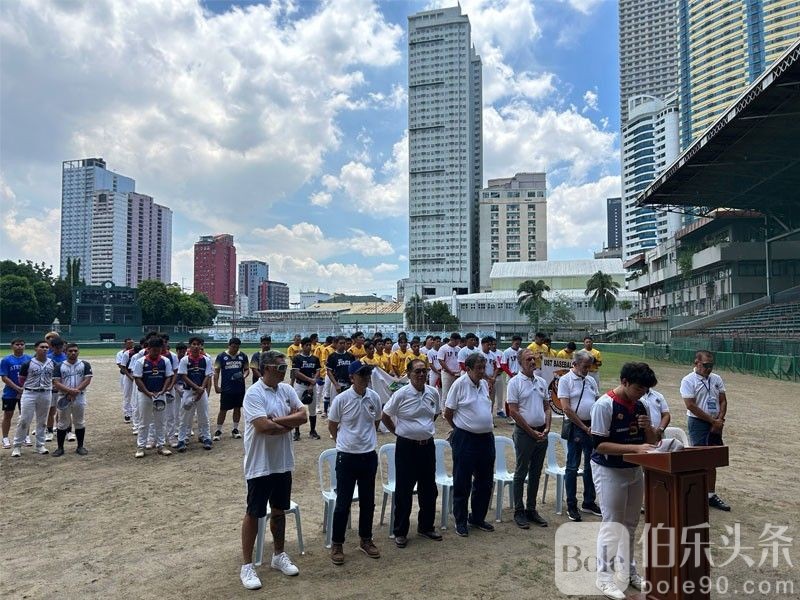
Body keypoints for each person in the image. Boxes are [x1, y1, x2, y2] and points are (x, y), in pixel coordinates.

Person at [239, 351, 307, 589]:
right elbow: (262, 426)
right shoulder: (254, 393)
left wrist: (277, 423)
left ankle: (278, 554)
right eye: (280, 367)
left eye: (285, 367)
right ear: (266, 368)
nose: (284, 371)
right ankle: (247, 565)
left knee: (279, 510)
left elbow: (303, 416)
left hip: (282, 462)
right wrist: (287, 422)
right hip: (260, 463)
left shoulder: (287, 390)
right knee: (254, 513)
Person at [590, 362, 658, 600]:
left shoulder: (641, 404)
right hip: (609, 470)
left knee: (630, 524)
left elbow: (654, 441)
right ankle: (604, 577)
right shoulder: (604, 405)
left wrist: (648, 427)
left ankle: (629, 571)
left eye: (645, 389)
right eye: (639, 388)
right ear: (625, 382)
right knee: (612, 524)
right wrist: (635, 448)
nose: (642, 393)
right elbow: (598, 444)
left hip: (634, 469)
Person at [381, 359, 442, 547]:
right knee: (404, 490)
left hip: (427, 446)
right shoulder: (401, 394)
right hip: (406, 447)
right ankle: (400, 531)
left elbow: (435, 413)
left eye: (424, 371)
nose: (422, 374)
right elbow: (385, 415)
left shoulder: (433, 392)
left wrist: (423, 429)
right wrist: (399, 432)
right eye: (417, 372)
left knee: (429, 489)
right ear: (408, 374)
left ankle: (426, 526)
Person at [328, 360, 383, 565]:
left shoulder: (374, 397)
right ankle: (337, 543)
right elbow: (332, 426)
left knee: (368, 501)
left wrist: (365, 441)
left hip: (368, 455)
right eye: (362, 375)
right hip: (347, 456)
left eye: (368, 374)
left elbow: (376, 421)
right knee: (343, 503)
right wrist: (344, 442)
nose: (366, 378)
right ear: (352, 378)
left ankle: (366, 540)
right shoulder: (342, 399)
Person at [444, 353, 495, 537]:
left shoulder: (482, 384)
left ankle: (478, 517)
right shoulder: (459, 384)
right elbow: (448, 412)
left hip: (485, 438)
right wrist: (459, 430)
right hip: (466, 438)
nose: (482, 372)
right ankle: (460, 520)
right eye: (478, 368)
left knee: (485, 481)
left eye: (484, 368)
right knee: (462, 480)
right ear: (468, 369)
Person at [507, 349, 551, 529]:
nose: (533, 361)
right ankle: (519, 510)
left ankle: (531, 509)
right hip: (525, 434)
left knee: (536, 472)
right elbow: (513, 411)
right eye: (529, 359)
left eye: (534, 358)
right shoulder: (514, 382)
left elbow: (547, 407)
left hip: (542, 433)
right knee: (521, 471)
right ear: (520, 362)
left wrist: (547, 427)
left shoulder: (541, 381)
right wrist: (531, 431)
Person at [680, 350, 730, 511]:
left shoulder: (716, 379)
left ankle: (710, 494)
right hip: (699, 422)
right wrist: (712, 421)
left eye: (711, 365)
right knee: (699, 458)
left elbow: (722, 400)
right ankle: (695, 493)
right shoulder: (688, 380)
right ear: (697, 363)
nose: (709, 368)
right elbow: (691, 405)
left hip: (716, 423)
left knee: (712, 459)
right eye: (706, 365)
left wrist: (720, 419)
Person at [558, 350, 602, 521]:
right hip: (577, 426)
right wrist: (584, 427)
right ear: (574, 364)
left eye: (589, 366)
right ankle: (571, 504)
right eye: (584, 366)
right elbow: (566, 408)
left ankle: (589, 501)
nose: (587, 370)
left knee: (591, 465)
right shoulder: (565, 380)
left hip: (591, 427)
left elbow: (597, 402)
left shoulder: (590, 380)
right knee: (572, 466)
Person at [132, 338, 174, 458]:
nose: (156, 353)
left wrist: (163, 390)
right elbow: (138, 378)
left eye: (158, 350)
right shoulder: (141, 361)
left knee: (160, 421)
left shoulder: (165, 361)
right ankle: (141, 447)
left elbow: (168, 377)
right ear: (148, 349)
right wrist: (147, 392)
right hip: (145, 395)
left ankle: (161, 445)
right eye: (153, 350)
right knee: (144, 421)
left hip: (160, 394)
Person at [11, 340, 53, 457]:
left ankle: (40, 445)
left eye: (46, 347)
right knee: (24, 420)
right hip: (30, 393)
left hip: (45, 393)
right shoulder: (28, 363)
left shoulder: (52, 363)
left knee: (42, 421)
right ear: (36, 349)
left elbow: (53, 378)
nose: (45, 349)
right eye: (42, 347)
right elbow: (21, 380)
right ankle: (17, 446)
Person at [52, 343, 92, 456]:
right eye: (70, 351)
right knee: (62, 423)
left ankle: (80, 447)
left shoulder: (85, 364)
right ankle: (60, 448)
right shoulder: (59, 365)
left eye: (75, 351)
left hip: (79, 396)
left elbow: (87, 380)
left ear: (78, 352)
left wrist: (75, 391)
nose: (73, 353)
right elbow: (56, 382)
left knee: (79, 421)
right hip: (63, 396)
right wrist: (69, 392)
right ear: (65, 352)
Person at [176, 337, 214, 452]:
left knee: (204, 416)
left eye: (199, 344)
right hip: (188, 392)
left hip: (201, 392)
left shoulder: (206, 360)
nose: (196, 346)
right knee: (185, 417)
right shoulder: (185, 360)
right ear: (190, 345)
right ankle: (181, 439)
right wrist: (197, 388)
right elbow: (183, 376)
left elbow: (207, 375)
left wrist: (202, 388)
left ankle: (206, 437)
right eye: (194, 344)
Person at [213, 337, 249, 441]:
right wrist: (216, 386)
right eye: (233, 347)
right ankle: (219, 430)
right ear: (229, 345)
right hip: (226, 388)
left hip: (239, 388)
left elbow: (247, 370)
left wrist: (243, 376)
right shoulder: (221, 356)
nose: (235, 349)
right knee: (223, 409)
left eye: (237, 347)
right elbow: (216, 371)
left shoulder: (243, 356)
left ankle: (235, 429)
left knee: (237, 408)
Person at [1, 338, 30, 449]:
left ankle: (25, 436)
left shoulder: (29, 359)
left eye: (22, 344)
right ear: (12, 346)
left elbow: (31, 375)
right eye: (17, 344)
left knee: (25, 416)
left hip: (26, 392)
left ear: (25, 346)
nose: (19, 346)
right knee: (8, 415)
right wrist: (17, 388)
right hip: (10, 393)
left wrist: (24, 388)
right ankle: (5, 438)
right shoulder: (6, 360)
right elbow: (4, 377)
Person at [291, 337, 321, 441]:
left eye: (309, 345)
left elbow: (318, 372)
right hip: (300, 385)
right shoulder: (297, 358)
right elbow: (296, 373)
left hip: (312, 386)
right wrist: (310, 380)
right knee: (297, 408)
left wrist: (312, 384)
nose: (308, 347)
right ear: (302, 346)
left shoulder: (315, 358)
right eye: (306, 345)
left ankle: (312, 431)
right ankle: (297, 432)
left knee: (312, 409)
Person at [45, 337, 68, 442]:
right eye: (56, 347)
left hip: (64, 388)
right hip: (51, 388)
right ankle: (49, 431)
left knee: (64, 410)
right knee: (51, 410)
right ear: (52, 347)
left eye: (60, 347)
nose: (58, 349)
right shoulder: (47, 357)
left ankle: (63, 429)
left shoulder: (67, 357)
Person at [325, 336, 356, 410]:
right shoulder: (332, 356)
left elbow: (353, 370)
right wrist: (336, 384)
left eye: (344, 343)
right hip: (338, 383)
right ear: (336, 344)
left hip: (349, 383)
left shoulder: (350, 356)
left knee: (349, 405)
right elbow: (329, 372)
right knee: (335, 405)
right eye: (340, 343)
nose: (343, 345)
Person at [496, 336, 523, 418]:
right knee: (510, 396)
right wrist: (511, 374)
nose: (518, 345)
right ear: (512, 342)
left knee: (520, 395)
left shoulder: (521, 351)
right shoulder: (507, 352)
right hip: (511, 376)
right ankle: (509, 415)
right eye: (516, 343)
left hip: (520, 376)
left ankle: (519, 414)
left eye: (519, 343)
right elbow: (503, 365)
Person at [437, 333, 461, 408]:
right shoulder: (443, 348)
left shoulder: (458, 349)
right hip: (447, 373)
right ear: (452, 340)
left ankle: (453, 408)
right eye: (456, 341)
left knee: (456, 392)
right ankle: (444, 409)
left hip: (457, 373)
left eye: (458, 342)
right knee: (446, 392)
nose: (457, 343)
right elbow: (441, 361)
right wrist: (449, 371)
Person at [116, 338, 134, 422]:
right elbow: (120, 365)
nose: (130, 345)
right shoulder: (121, 353)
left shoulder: (136, 352)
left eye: (132, 343)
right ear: (125, 344)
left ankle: (133, 412)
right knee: (127, 394)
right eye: (129, 343)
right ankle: (127, 413)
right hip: (124, 375)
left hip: (134, 375)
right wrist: (129, 374)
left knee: (135, 394)